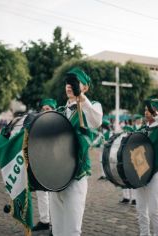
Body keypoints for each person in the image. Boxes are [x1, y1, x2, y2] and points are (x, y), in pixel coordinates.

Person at [49, 67, 103, 236]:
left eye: (75, 82)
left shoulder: (91, 106)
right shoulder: (60, 111)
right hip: (55, 175)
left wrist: (81, 98)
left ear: (84, 87)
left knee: (72, 230)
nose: (69, 85)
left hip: (76, 174)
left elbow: (96, 121)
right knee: (57, 229)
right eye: (68, 82)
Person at [134, 99, 158, 236]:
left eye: (150, 109)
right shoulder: (143, 129)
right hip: (140, 171)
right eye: (145, 109)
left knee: (153, 210)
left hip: (155, 171)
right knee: (140, 209)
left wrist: (156, 114)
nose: (147, 112)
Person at [32, 98, 57, 232]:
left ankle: (55, 224)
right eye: (44, 109)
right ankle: (44, 220)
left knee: (53, 195)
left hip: (54, 163)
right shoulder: (39, 123)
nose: (45, 111)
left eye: (48, 109)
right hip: (41, 162)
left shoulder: (58, 123)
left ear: (54, 110)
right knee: (41, 192)